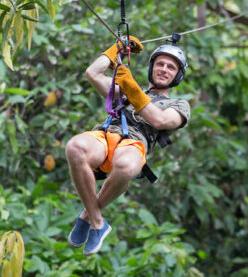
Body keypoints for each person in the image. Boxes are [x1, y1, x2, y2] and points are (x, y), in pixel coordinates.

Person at [65, 36, 191, 255]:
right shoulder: (123, 90)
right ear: (152, 67)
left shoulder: (178, 105)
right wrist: (117, 48)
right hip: (106, 135)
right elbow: (92, 73)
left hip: (134, 141)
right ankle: (96, 221)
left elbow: (160, 120)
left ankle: (87, 216)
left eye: (171, 67)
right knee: (75, 147)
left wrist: (131, 88)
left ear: (177, 76)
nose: (164, 69)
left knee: (125, 165)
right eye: (160, 64)